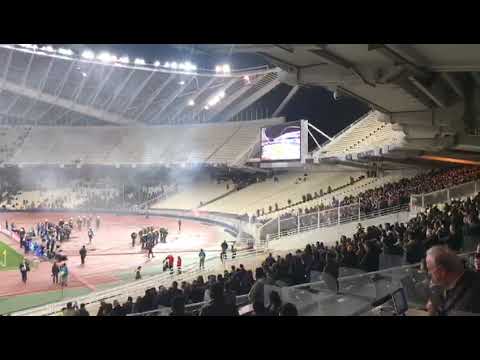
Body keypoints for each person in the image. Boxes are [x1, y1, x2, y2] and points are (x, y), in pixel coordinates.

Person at [426, 245, 480, 315]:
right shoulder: (469, 278)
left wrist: (433, 312)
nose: (428, 274)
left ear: (441, 271)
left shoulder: (465, 304)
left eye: (429, 269)